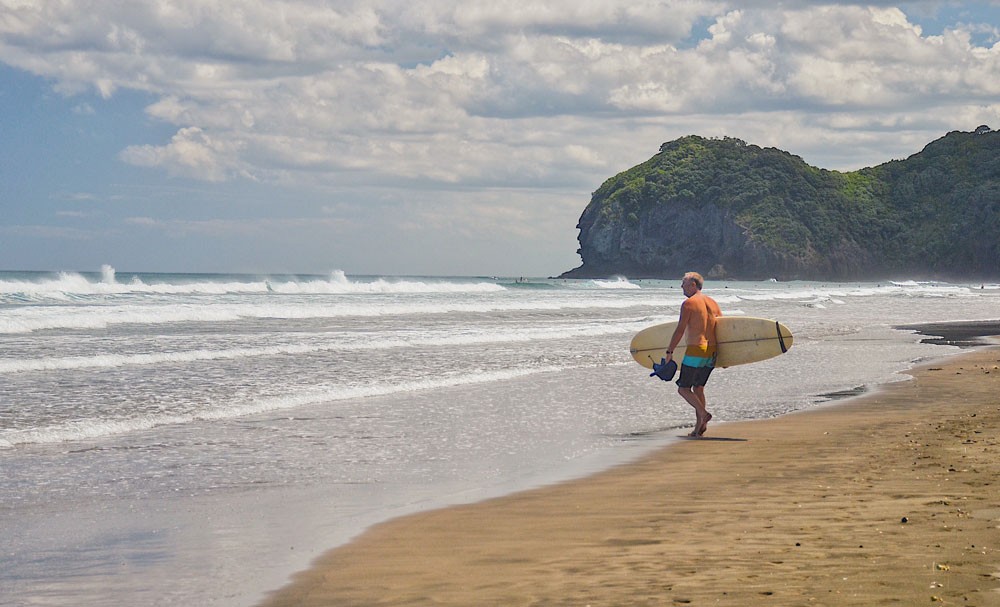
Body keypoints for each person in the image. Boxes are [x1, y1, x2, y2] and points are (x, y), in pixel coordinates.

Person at [663, 272, 722, 437]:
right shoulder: (712, 302)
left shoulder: (689, 303)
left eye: (684, 283)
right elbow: (722, 328)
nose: (681, 286)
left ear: (693, 285)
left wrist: (670, 351)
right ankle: (699, 427)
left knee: (683, 389)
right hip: (711, 351)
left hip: (696, 350)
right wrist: (726, 357)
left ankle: (703, 414)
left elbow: (680, 329)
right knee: (698, 388)